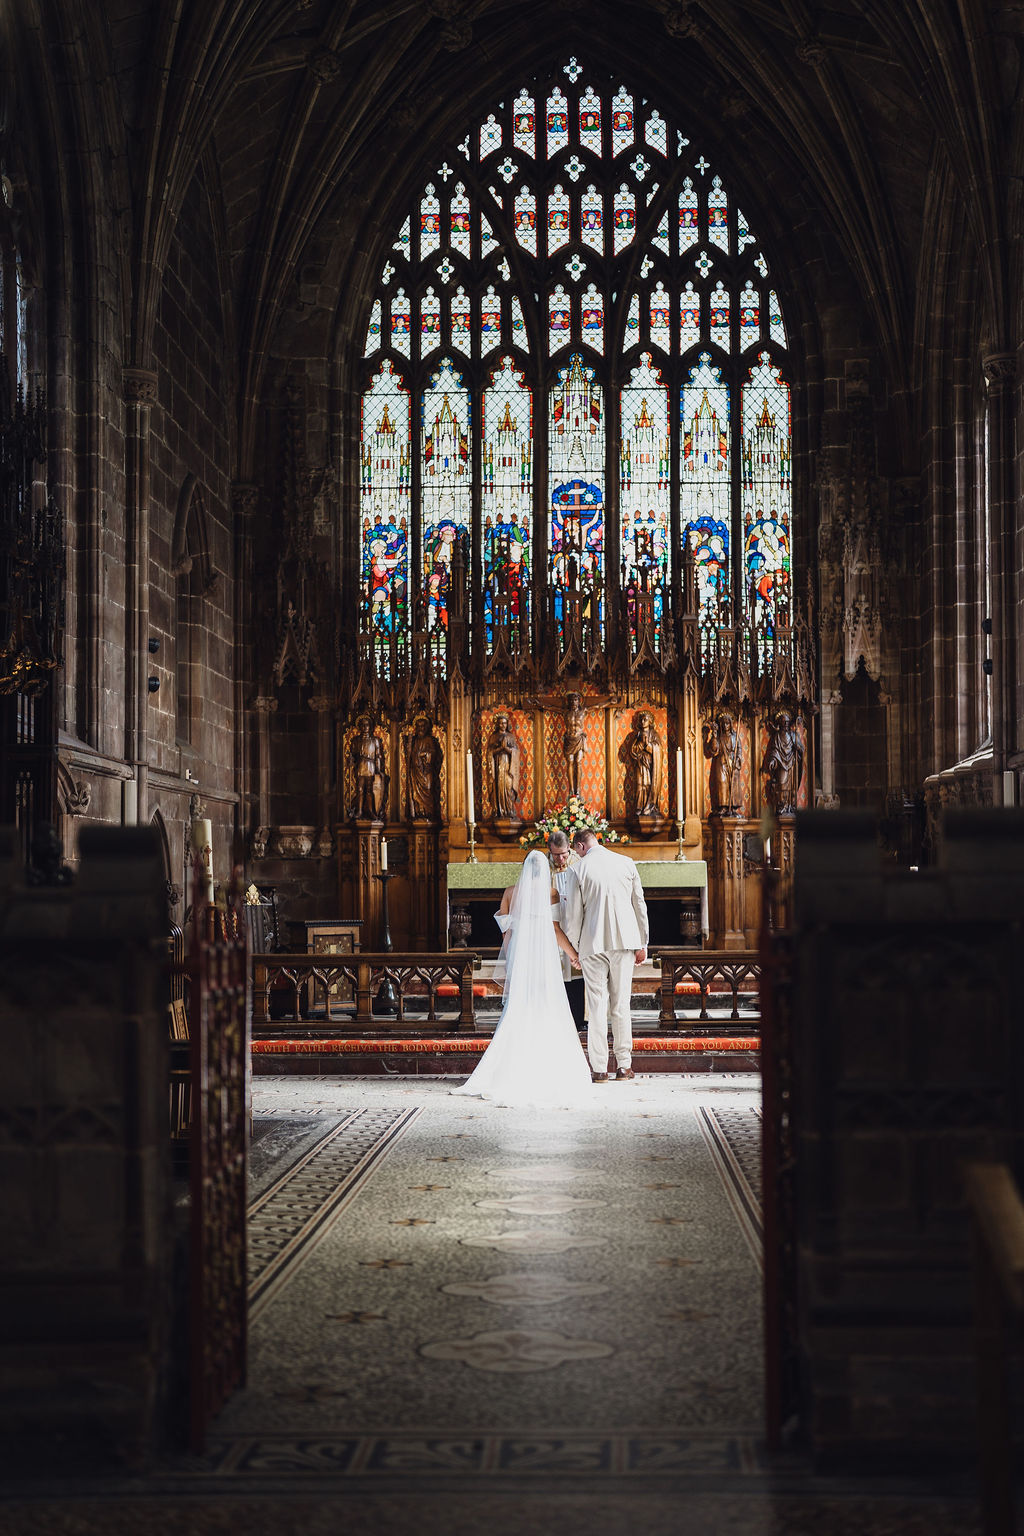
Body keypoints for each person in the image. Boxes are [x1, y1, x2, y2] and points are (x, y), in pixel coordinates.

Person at [451, 849, 592, 1108]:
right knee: (545, 1000)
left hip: (521, 951)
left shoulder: (509, 893)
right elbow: (554, 928)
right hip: (544, 952)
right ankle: (546, 1065)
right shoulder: (550, 893)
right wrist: (573, 954)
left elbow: (506, 933)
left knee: (520, 1001)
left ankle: (510, 1065)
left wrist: (511, 959)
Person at [564, 829, 649, 1083]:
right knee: (621, 1004)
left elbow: (573, 916)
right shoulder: (626, 862)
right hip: (625, 941)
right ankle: (624, 1066)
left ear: (580, 846)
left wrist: (575, 948)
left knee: (597, 1005)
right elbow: (639, 905)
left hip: (592, 943)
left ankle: (599, 1068)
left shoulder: (578, 869)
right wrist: (642, 942)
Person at [547, 829, 586, 1029]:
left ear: (570, 848)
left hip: (573, 924)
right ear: (549, 851)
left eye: (564, 854)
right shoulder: (542, 867)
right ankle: (558, 1020)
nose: (561, 858)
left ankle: (578, 1019)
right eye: (556, 855)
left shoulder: (578, 864)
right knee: (556, 975)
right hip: (551, 926)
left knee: (576, 975)